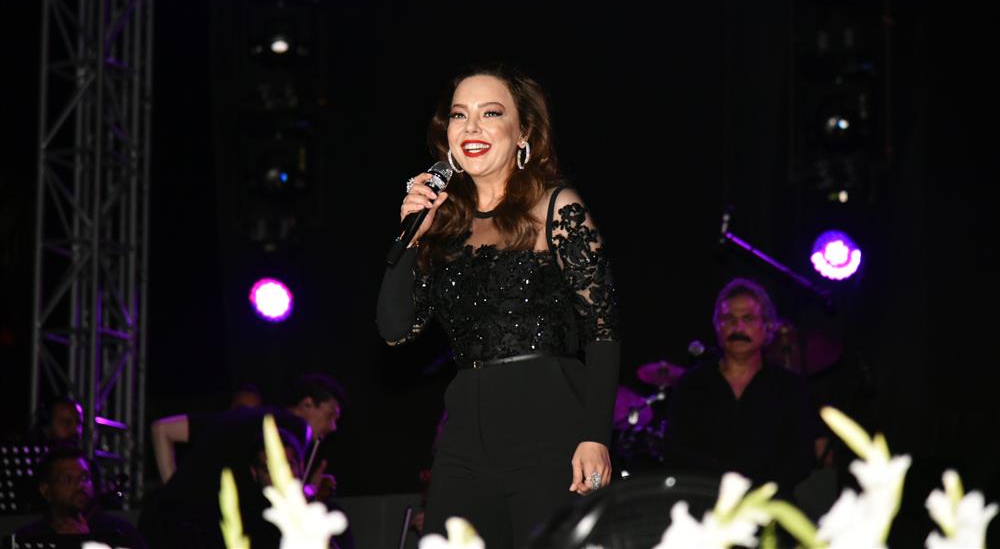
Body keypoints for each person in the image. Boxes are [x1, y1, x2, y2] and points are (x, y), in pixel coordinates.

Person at [377, 66, 621, 548]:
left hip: (550, 432)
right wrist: (412, 238)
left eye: (490, 113)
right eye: (459, 115)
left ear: (523, 131)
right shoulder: (443, 226)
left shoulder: (556, 207)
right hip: (465, 442)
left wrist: (596, 436)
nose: (471, 127)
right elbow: (394, 329)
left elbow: (603, 329)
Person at [140, 373, 345, 548]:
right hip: (202, 531)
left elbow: (162, 429)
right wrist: (310, 491)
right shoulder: (296, 428)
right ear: (307, 404)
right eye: (330, 415)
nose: (333, 427)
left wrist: (175, 492)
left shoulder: (243, 418)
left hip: (165, 522)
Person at [664, 278, 817, 496]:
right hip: (704, 503)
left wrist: (756, 489)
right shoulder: (692, 384)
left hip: (769, 506)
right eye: (729, 319)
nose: (738, 328)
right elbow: (675, 452)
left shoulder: (790, 387)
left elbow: (801, 458)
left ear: (767, 327)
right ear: (717, 327)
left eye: (748, 319)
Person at [13, 444, 146, 548]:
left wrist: (86, 542)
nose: (79, 485)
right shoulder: (28, 538)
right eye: (66, 479)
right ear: (45, 490)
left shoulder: (120, 532)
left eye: (85, 478)